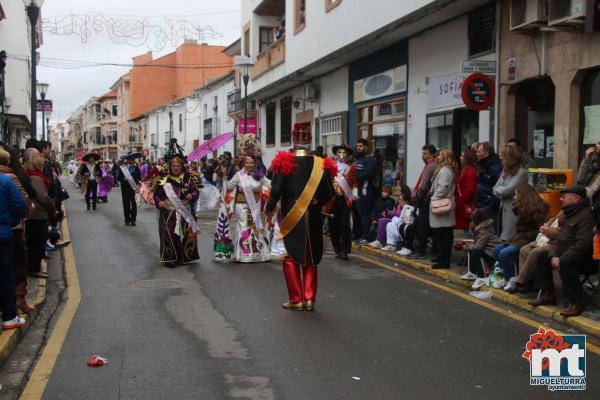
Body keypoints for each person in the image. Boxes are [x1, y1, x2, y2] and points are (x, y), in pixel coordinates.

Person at [265, 124, 336, 311]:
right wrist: (314, 203)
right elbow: (330, 193)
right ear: (310, 141)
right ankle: (310, 299)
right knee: (311, 257)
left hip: (291, 216)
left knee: (290, 256)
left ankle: (296, 300)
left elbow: (276, 190)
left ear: (294, 141)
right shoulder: (321, 163)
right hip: (313, 217)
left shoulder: (284, 162)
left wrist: (269, 208)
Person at [528, 185, 595, 317]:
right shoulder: (569, 214)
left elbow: (583, 244)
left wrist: (561, 257)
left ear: (576, 198)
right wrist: (553, 255)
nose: (561, 199)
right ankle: (548, 294)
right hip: (565, 255)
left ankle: (577, 302)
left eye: (564, 197)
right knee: (542, 255)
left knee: (566, 262)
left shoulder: (586, 215)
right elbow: (558, 239)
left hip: (584, 258)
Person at [152, 140, 201, 268]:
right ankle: (171, 258)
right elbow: (156, 195)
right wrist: (159, 202)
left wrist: (192, 195)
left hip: (184, 211)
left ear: (181, 166)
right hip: (168, 212)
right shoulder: (163, 180)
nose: (176, 168)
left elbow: (196, 191)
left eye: (178, 166)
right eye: (173, 166)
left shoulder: (187, 179)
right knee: (169, 234)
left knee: (186, 234)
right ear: (169, 166)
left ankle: (184, 257)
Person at [491, 184, 548, 290]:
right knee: (496, 250)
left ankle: (511, 279)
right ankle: (508, 276)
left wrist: (524, 236)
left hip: (528, 240)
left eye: (517, 195)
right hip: (519, 238)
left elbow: (539, 230)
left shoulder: (537, 210)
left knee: (504, 253)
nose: (514, 197)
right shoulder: (521, 208)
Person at [226, 151, 271, 263]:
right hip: (241, 205)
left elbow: (270, 184)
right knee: (244, 226)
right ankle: (244, 254)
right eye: (247, 162)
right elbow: (229, 186)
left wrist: (282, 179)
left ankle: (257, 253)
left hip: (255, 205)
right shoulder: (239, 175)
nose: (249, 164)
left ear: (255, 163)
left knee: (255, 227)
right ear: (244, 163)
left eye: (251, 162)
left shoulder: (259, 175)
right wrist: (224, 175)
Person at [505, 211, 564, 294]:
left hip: (555, 244)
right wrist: (546, 226)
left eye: (564, 197)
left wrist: (547, 230)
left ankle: (520, 282)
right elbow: (552, 221)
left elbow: (563, 233)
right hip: (537, 240)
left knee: (534, 252)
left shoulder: (573, 214)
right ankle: (529, 282)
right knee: (524, 250)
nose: (561, 199)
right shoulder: (562, 211)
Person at [0, 155, 27, 330]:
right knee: (5, 275)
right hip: (3, 235)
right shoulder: (5, 180)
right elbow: (20, 205)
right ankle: (9, 317)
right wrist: (10, 221)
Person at [24, 148, 56, 279]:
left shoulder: (31, 175)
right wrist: (52, 208)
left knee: (35, 242)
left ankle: (34, 267)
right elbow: (43, 197)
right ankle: (34, 268)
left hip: (35, 214)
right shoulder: (35, 178)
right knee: (37, 242)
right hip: (37, 215)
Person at [429, 148, 457, 269]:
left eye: (440, 155)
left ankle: (444, 261)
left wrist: (434, 198)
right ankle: (442, 258)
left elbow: (443, 187)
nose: (438, 157)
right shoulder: (447, 169)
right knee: (443, 235)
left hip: (441, 204)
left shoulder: (445, 170)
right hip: (444, 203)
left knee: (443, 235)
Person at [493, 145, 528, 240]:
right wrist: (500, 190)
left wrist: (500, 190)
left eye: (503, 155)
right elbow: (495, 187)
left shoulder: (521, 172)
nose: (500, 158)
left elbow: (509, 190)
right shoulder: (505, 171)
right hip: (503, 209)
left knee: (510, 238)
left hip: (513, 210)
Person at [408, 144, 437, 259]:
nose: (422, 156)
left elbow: (423, 185)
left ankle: (421, 251)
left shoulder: (430, 166)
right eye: (422, 153)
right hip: (427, 199)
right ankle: (431, 249)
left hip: (425, 199)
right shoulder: (432, 165)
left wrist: (417, 197)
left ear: (432, 154)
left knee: (422, 225)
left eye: (425, 154)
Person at [328, 144, 356, 260]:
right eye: (339, 152)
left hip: (344, 199)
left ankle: (345, 250)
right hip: (332, 199)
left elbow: (354, 183)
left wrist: (354, 192)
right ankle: (337, 249)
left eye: (344, 153)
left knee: (344, 224)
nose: (341, 155)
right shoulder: (330, 167)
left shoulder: (351, 168)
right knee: (333, 225)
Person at [457, 209, 497, 290]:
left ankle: (481, 277)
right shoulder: (481, 228)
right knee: (473, 251)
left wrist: (463, 247)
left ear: (476, 221)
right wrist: (466, 245)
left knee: (475, 252)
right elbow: (477, 243)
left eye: (472, 220)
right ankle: (472, 273)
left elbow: (478, 246)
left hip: (491, 252)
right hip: (486, 249)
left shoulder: (484, 230)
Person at [354, 138, 377, 244]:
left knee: (365, 215)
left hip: (366, 191)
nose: (358, 148)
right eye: (357, 146)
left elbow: (369, 173)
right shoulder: (359, 159)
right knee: (359, 214)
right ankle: (360, 235)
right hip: (357, 190)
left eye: (361, 146)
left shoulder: (369, 159)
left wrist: (355, 176)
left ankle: (366, 237)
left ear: (366, 147)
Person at [475, 142, 503, 217]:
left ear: (486, 153)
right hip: (482, 206)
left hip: (489, 209)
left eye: (479, 152)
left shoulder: (495, 168)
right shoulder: (483, 166)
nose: (476, 154)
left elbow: (499, 188)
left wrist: (489, 206)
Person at [455, 148, 477, 232]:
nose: (460, 158)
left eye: (462, 156)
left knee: (465, 233)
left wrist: (460, 201)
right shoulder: (465, 171)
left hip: (465, 208)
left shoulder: (470, 171)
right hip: (462, 207)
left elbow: (469, 189)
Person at [117, 151, 142, 226]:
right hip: (125, 189)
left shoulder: (136, 167)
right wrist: (124, 179)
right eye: (131, 159)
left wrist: (139, 185)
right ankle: (127, 219)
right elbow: (118, 178)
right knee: (126, 204)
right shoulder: (122, 168)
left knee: (134, 204)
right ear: (127, 159)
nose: (133, 160)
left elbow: (139, 178)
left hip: (134, 188)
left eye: (133, 159)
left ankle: (133, 220)